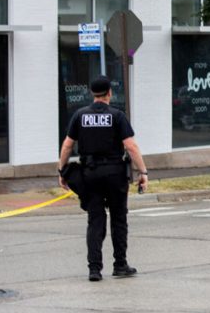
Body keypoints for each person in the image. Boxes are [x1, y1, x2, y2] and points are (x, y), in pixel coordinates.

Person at [58, 75, 148, 282]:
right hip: (115, 174)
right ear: (109, 93)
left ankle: (94, 269)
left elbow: (67, 145)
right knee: (118, 219)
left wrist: (62, 171)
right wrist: (143, 172)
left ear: (92, 94)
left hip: (90, 174)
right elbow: (131, 146)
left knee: (95, 220)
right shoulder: (117, 116)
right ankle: (120, 264)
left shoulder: (80, 115)